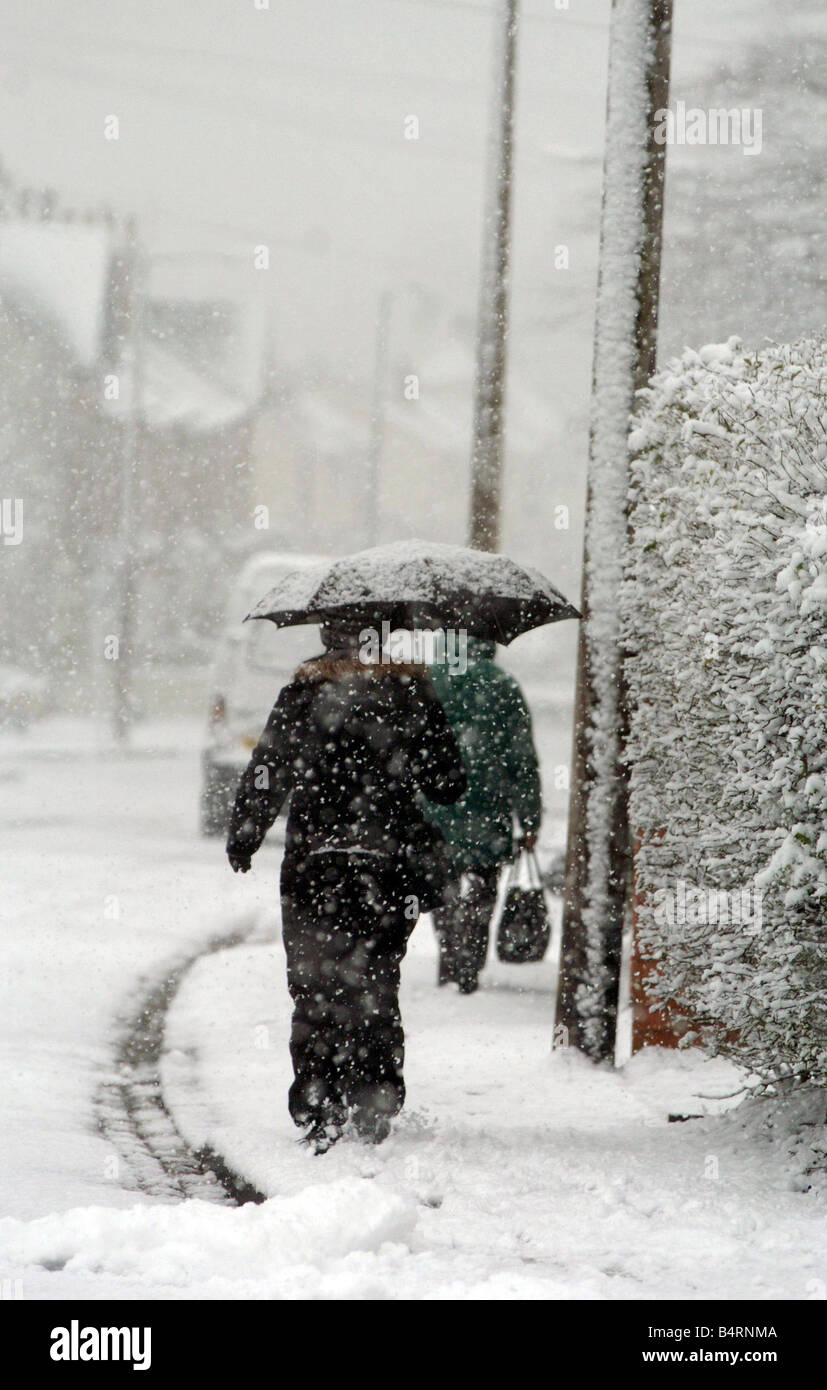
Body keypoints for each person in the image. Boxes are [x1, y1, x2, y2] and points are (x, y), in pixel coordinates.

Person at [225, 621, 466, 1152]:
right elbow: (449, 784)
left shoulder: (304, 692)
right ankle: (373, 1099)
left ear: (327, 635)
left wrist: (245, 832)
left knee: (314, 985)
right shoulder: (410, 691)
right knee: (377, 982)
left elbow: (269, 769)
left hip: (315, 863)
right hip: (387, 864)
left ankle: (318, 1103)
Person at [424, 636, 542, 994]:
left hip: (435, 808)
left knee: (442, 887)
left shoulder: (429, 679)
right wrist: (531, 817)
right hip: (488, 812)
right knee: (480, 890)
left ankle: (449, 955)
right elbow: (522, 758)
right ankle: (469, 966)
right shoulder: (502, 685)